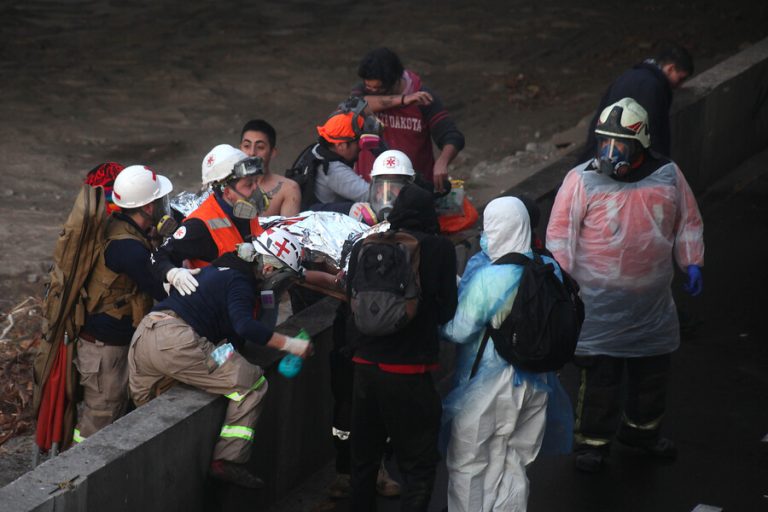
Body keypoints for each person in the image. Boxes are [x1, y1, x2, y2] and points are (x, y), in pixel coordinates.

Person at [546, 97, 705, 473]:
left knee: (651, 375)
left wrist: (692, 261)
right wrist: (560, 282)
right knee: (601, 378)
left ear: (641, 143)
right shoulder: (582, 179)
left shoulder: (667, 175)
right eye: (604, 141)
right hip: (599, 306)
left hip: (650, 304)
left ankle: (641, 434)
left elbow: (688, 220)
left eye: (620, 144)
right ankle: (593, 443)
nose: (610, 152)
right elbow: (560, 234)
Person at [129, 228, 312, 488]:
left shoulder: (222, 270)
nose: (282, 291)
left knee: (148, 418)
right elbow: (244, 326)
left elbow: (226, 344)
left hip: (146, 337)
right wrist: (290, 345)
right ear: (269, 270)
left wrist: (227, 360)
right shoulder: (240, 282)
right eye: (283, 281)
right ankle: (227, 459)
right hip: (177, 342)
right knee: (253, 384)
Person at [441, 196, 572, 511]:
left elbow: (459, 330)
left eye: (488, 228)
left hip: (487, 389)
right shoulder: (550, 268)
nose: (484, 235)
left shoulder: (490, 277)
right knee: (514, 461)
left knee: (469, 464)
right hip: (536, 384)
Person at [346, 183, 458, 511]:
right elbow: (447, 310)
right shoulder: (438, 248)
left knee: (364, 460)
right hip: (410, 371)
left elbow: (351, 300)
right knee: (418, 464)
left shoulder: (365, 245)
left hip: (364, 368)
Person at [73, 165, 172, 444]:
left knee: (114, 414)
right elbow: (161, 289)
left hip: (111, 345)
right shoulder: (129, 249)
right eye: (159, 201)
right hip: (106, 351)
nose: (163, 207)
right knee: (100, 418)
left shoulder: (119, 225)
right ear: (148, 208)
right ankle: (78, 467)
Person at [151, 144, 266, 294]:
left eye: (256, 182)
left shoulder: (245, 210)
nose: (256, 189)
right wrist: (173, 274)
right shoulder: (199, 225)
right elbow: (158, 257)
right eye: (249, 184)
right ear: (227, 191)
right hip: (220, 304)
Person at [352, 47, 465, 192]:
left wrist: (442, 162)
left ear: (395, 81)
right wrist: (403, 100)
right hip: (370, 188)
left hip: (414, 188)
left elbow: (452, 136)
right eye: (369, 87)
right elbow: (355, 106)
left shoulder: (423, 97)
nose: (372, 91)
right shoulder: (363, 91)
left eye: (378, 89)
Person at [581, 41, 694, 160]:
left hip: (602, 151)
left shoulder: (629, 75)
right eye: (680, 78)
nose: (680, 85)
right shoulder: (653, 87)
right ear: (670, 68)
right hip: (623, 156)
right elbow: (653, 132)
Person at [239, 119, 302, 217]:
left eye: (260, 147)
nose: (252, 153)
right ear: (240, 149)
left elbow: (289, 227)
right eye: (246, 146)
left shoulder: (288, 189)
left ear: (272, 152)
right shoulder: (226, 184)